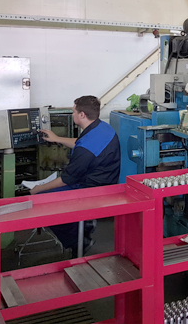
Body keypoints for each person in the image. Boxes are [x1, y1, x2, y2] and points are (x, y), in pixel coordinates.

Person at [31, 95, 121, 256]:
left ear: (82, 115)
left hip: (92, 188)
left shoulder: (85, 151)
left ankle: (79, 241)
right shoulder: (103, 128)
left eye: (73, 112)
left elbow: (66, 179)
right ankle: (84, 224)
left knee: (41, 202)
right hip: (107, 181)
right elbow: (82, 143)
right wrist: (57, 139)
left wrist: (38, 188)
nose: (72, 114)